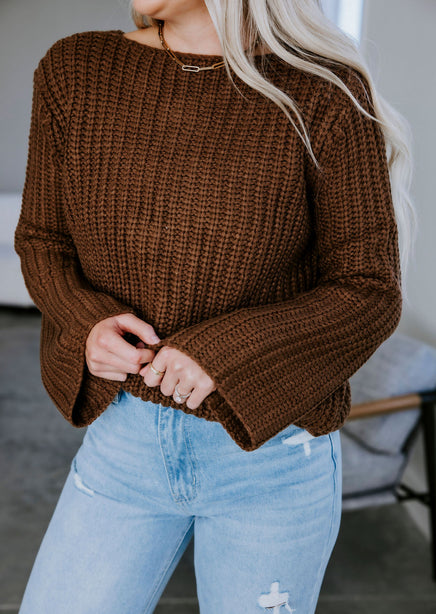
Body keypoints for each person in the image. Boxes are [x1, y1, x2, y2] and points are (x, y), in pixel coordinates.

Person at [15, 0, 415, 612]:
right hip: (124, 441)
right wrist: (85, 322)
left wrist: (226, 354)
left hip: (272, 459)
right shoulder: (75, 69)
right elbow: (43, 239)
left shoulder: (324, 94)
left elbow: (369, 288)